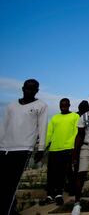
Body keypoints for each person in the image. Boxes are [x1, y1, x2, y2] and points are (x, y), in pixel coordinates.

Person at [0, 79, 48, 215]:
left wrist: (40, 148)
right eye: (28, 88)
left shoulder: (41, 105)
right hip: (4, 148)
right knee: (2, 182)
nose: (30, 91)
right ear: (23, 88)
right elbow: (4, 126)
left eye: (33, 89)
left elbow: (42, 127)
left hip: (23, 148)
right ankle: (12, 209)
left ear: (37, 90)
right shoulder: (11, 106)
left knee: (12, 184)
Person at [40, 98, 79, 206]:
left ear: (69, 105)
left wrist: (72, 148)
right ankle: (49, 195)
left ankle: (58, 195)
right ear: (59, 106)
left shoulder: (75, 116)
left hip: (67, 149)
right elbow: (49, 133)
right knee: (51, 173)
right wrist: (43, 147)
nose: (63, 107)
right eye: (61, 105)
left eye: (65, 105)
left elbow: (76, 133)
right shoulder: (55, 117)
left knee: (62, 173)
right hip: (54, 149)